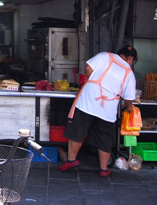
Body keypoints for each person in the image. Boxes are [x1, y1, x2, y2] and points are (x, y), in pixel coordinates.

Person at [59, 45, 137, 178]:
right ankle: (103, 168)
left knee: (77, 131)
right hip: (108, 109)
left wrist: (93, 80)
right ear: (130, 58)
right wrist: (129, 108)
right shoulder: (129, 73)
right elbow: (129, 98)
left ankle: (71, 160)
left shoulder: (105, 56)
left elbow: (88, 68)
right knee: (104, 138)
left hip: (88, 101)